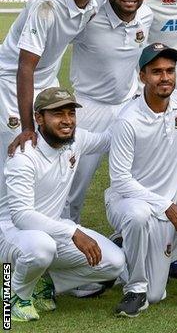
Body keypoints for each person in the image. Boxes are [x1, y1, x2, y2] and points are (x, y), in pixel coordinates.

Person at [0, 87, 124, 323]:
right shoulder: (23, 156)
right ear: (39, 118)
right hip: (11, 234)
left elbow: (109, 138)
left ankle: (45, 283)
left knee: (114, 263)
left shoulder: (76, 140)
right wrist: (72, 231)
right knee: (41, 247)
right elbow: (21, 216)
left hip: (52, 230)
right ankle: (16, 295)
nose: (67, 121)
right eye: (58, 114)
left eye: (71, 113)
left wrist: (137, 103)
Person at [105, 43, 177, 317]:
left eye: (170, 70)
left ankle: (120, 249)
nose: (165, 77)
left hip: (161, 211)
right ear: (142, 76)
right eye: (156, 72)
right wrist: (166, 205)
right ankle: (134, 290)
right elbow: (120, 180)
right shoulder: (128, 121)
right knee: (138, 215)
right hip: (127, 203)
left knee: (158, 294)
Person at [0, 0, 105, 169]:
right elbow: (25, 66)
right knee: (17, 157)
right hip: (12, 82)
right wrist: (27, 127)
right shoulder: (46, 5)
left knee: (50, 153)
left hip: (47, 82)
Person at [65, 0, 153, 224]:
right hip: (89, 108)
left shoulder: (145, 16)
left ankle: (127, 233)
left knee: (135, 178)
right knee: (74, 182)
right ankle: (65, 241)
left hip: (127, 108)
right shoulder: (89, 17)